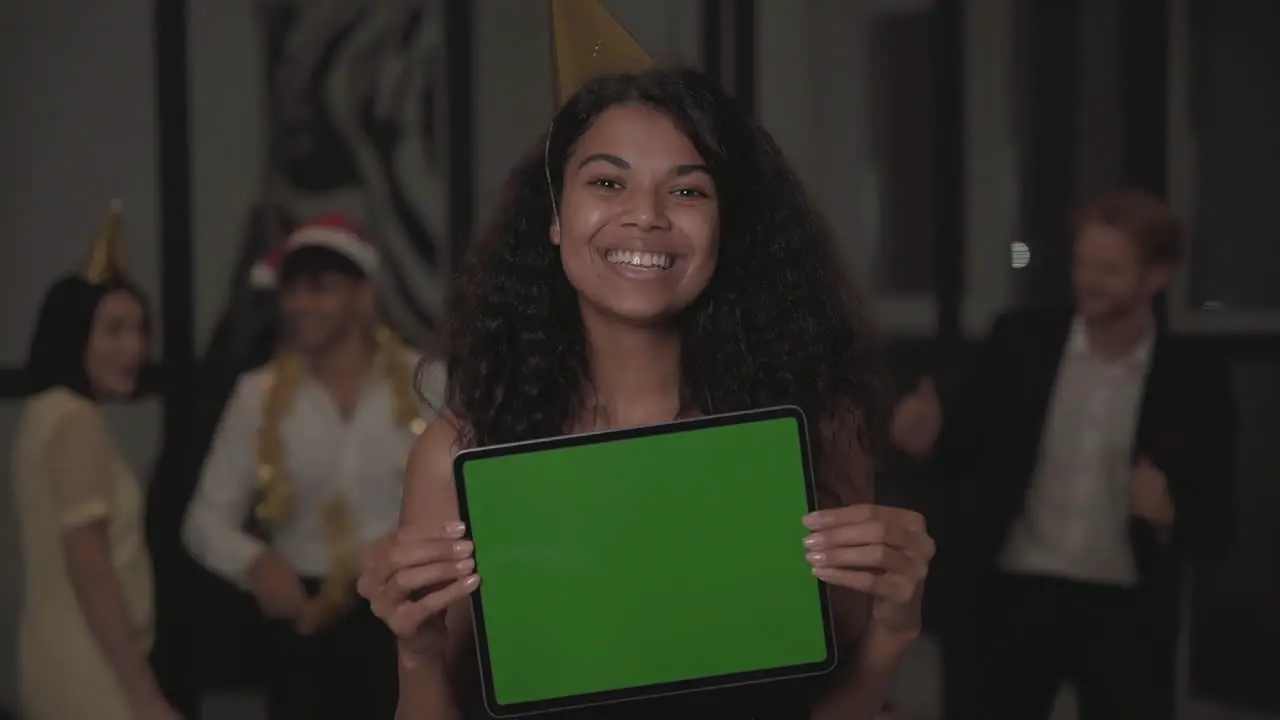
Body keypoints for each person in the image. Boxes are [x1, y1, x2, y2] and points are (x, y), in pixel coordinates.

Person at [357, 2, 935, 718]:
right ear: (555, 217)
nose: (647, 214)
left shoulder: (815, 432)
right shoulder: (461, 456)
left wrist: (892, 634)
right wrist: (413, 655)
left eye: (688, 190)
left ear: (727, 229)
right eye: (607, 182)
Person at [891, 188, 1236, 719]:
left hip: (1126, 610)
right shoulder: (1021, 342)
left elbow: (1217, 522)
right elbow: (958, 454)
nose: (1087, 281)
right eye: (1082, 263)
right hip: (1012, 593)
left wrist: (1170, 514)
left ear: (1156, 277)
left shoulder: (1193, 379)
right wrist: (923, 441)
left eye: (1109, 269)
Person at [182, 214, 446, 720]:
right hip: (302, 623)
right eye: (292, 291)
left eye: (321, 289)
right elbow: (202, 522)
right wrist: (256, 563)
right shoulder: (257, 397)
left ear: (364, 295)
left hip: (405, 615)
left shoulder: (427, 382)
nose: (301, 305)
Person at [12, 202, 179, 720]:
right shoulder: (76, 421)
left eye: (140, 328)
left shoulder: (42, 414)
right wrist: (145, 693)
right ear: (75, 336)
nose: (134, 347)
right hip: (91, 670)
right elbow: (91, 568)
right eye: (114, 330)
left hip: (51, 654)